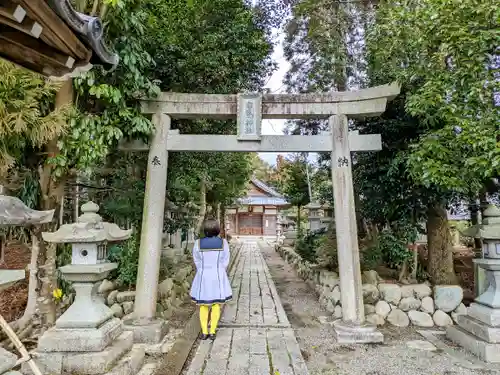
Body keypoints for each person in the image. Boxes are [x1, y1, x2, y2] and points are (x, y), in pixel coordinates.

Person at [190, 218, 232, 340]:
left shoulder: (198, 243)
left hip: (203, 275)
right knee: (216, 304)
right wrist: (219, 269)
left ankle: (204, 332)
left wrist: (203, 269)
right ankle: (212, 331)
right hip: (218, 275)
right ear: (217, 229)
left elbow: (196, 259)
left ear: (205, 230)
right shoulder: (223, 243)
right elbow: (226, 260)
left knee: (203, 304)